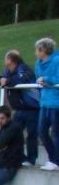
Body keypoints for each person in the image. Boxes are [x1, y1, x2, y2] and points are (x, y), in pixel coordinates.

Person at [0, 50, 40, 166]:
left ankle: (31, 159)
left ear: (10, 60)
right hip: (19, 110)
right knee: (13, 133)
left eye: (6, 58)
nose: (4, 61)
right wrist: (0, 80)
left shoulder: (23, 68)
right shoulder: (7, 71)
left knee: (31, 135)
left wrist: (7, 81)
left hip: (32, 108)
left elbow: (21, 80)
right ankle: (20, 157)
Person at [35, 37, 59, 170]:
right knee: (42, 131)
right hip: (44, 103)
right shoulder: (38, 63)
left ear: (43, 50)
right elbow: (38, 78)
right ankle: (53, 159)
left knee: (56, 133)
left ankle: (56, 162)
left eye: (37, 50)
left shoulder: (57, 60)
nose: (35, 53)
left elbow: (57, 78)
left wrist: (46, 79)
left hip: (56, 103)